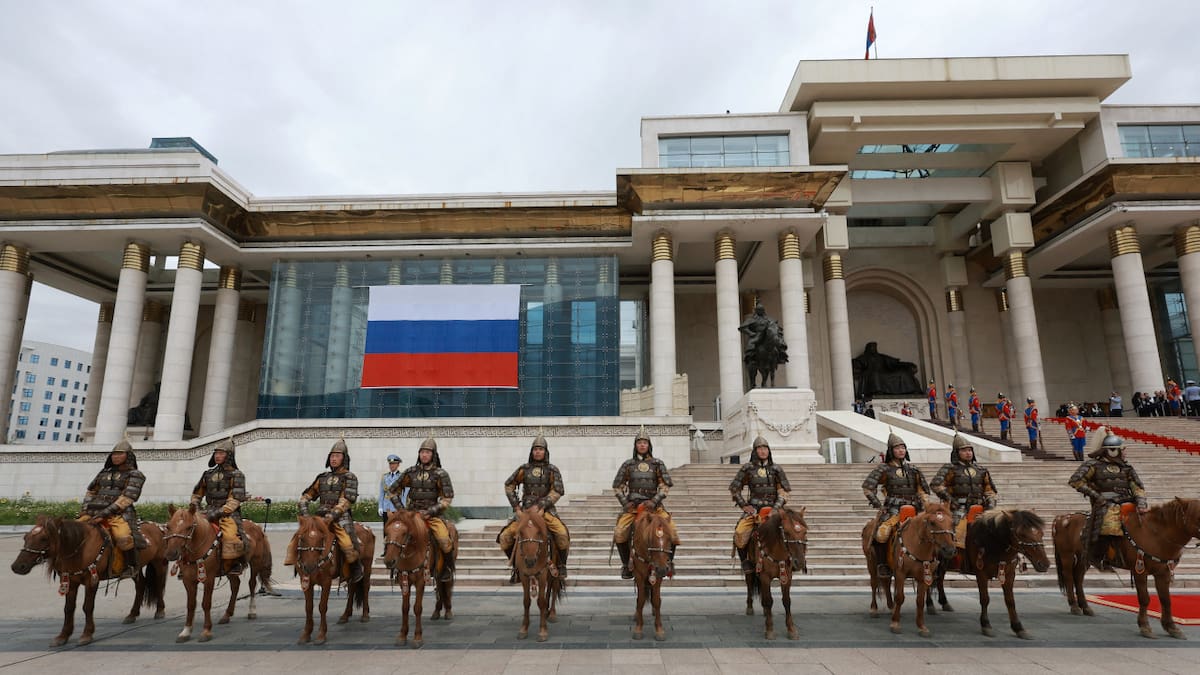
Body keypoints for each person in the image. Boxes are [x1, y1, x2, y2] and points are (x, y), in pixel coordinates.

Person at [285, 438, 364, 584]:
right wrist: (305, 512)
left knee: (348, 543)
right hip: (320, 517)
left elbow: (346, 500)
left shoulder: (349, 477)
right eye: (332, 456)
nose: (334, 459)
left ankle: (355, 569)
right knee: (298, 538)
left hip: (340, 517)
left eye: (337, 456)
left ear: (344, 458)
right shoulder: (322, 477)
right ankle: (298, 564)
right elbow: (307, 495)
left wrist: (333, 515)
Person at [1068, 431, 1147, 570]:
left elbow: (1137, 487)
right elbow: (1076, 481)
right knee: (1110, 526)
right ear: (1112, 451)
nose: (1125, 452)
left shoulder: (1126, 468)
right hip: (1106, 504)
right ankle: (1102, 557)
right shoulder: (1093, 465)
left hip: (1128, 502)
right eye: (1122, 449)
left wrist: (1141, 503)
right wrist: (1096, 495)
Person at [497, 433, 571, 581]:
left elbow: (558, 490)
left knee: (562, 534)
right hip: (525, 512)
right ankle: (516, 568)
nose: (538, 452)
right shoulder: (524, 469)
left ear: (545, 452)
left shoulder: (552, 470)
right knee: (505, 537)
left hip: (546, 511)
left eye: (540, 449)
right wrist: (516, 508)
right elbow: (509, 485)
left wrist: (542, 505)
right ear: (531, 452)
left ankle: (561, 565)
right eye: (535, 449)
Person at [612, 426, 679, 580]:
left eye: (645, 442)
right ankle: (626, 565)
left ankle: (669, 562)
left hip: (655, 508)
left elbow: (665, 486)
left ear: (649, 445)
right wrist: (625, 503)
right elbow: (617, 486)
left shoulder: (657, 464)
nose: (642, 445)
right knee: (620, 532)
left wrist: (654, 500)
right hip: (634, 508)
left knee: (673, 531)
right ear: (635, 445)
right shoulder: (628, 465)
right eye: (639, 442)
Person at [862, 431, 930, 579]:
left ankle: (932, 564)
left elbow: (922, 490)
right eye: (897, 448)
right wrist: (876, 503)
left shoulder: (914, 470)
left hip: (915, 509)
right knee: (881, 534)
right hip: (893, 510)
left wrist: (926, 505)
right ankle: (882, 564)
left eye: (903, 448)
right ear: (891, 451)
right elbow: (868, 487)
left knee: (934, 530)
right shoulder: (883, 469)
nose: (901, 451)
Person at [389, 435, 456, 581]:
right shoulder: (410, 472)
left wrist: (431, 511)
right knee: (394, 534)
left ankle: (446, 568)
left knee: (445, 540)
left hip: (431, 515)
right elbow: (392, 491)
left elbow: (447, 498)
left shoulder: (440, 474)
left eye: (427, 452)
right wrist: (402, 510)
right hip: (411, 515)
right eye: (422, 452)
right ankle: (395, 567)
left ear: (433, 455)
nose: (424, 455)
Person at [79, 438, 146, 579]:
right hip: (92, 513)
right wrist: (85, 509)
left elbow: (127, 498)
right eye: (114, 454)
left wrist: (103, 515)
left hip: (119, 515)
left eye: (120, 454)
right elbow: (91, 492)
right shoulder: (104, 472)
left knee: (123, 537)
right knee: (72, 531)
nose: (115, 457)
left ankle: (130, 566)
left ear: (128, 456)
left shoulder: (135, 475)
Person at [729, 436, 792, 573]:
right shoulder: (747, 468)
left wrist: (775, 509)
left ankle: (794, 561)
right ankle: (745, 562)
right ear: (755, 451)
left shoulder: (776, 469)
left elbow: (783, 492)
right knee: (739, 532)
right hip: (754, 509)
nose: (763, 451)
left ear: (769, 450)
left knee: (793, 531)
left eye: (765, 448)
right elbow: (734, 488)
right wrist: (744, 505)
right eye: (760, 448)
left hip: (774, 508)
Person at [189, 437, 249, 575]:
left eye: (221, 453)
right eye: (216, 453)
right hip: (207, 511)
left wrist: (218, 512)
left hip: (228, 514)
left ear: (229, 456)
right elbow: (197, 495)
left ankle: (234, 563)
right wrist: (196, 509)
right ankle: (185, 565)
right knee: (186, 533)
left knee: (230, 537)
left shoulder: (237, 475)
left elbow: (235, 499)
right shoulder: (208, 474)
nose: (217, 456)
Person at [931, 433, 998, 551]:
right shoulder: (949, 468)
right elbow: (936, 485)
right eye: (964, 450)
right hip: (958, 508)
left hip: (980, 507)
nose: (968, 453)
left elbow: (990, 491)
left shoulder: (981, 470)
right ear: (957, 453)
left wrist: (990, 506)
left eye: (969, 450)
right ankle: (948, 558)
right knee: (954, 534)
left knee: (997, 530)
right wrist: (950, 500)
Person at [378, 454, 405, 519]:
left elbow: (404, 495)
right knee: (386, 525)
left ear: (398, 465)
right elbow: (382, 493)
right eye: (390, 464)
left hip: (397, 508)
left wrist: (403, 508)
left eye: (394, 464)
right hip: (386, 507)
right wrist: (380, 507)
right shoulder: (385, 477)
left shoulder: (402, 477)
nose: (392, 465)